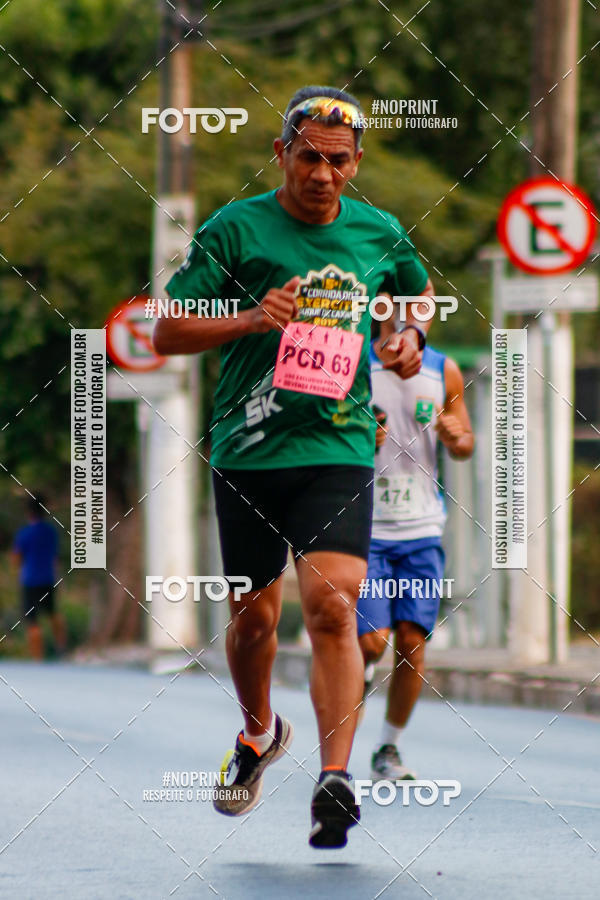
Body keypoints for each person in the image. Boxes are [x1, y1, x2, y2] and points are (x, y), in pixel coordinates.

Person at [154, 85, 435, 848]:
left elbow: (417, 296)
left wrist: (406, 334)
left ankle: (335, 778)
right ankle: (258, 734)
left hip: (338, 445)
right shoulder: (236, 229)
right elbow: (166, 331)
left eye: (337, 161)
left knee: (335, 606)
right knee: (255, 622)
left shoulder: (378, 232)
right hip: (248, 450)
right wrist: (249, 317)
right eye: (307, 156)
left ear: (356, 163)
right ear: (281, 153)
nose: (321, 173)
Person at [357, 310, 474, 780]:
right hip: (366, 530)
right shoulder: (353, 366)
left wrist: (456, 435)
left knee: (412, 643)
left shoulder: (442, 369)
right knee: (371, 641)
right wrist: (364, 437)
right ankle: (356, 679)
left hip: (422, 529)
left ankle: (388, 748)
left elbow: (464, 441)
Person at [12, 495, 65, 660]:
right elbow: (56, 558)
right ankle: (61, 649)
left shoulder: (24, 534)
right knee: (53, 614)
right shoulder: (51, 532)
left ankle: (38, 659)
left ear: (29, 513)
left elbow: (16, 559)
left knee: (32, 621)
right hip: (48, 579)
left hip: (29, 581)